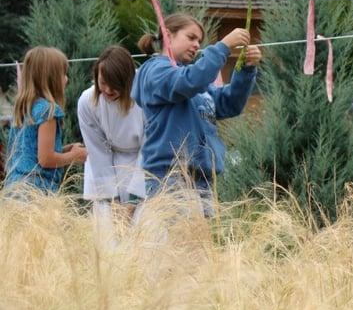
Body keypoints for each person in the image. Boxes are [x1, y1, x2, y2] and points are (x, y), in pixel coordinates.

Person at [132, 14, 261, 217]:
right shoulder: (155, 71)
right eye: (190, 37)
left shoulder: (196, 82)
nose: (196, 45)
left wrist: (245, 70)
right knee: (176, 247)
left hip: (202, 181)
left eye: (199, 41)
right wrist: (223, 47)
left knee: (197, 248)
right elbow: (187, 81)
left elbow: (229, 104)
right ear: (168, 35)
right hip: (169, 179)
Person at [77, 46, 145, 246]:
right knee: (109, 238)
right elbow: (97, 152)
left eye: (114, 85)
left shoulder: (145, 97)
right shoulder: (87, 102)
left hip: (141, 165)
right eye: (103, 83)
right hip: (107, 169)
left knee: (143, 236)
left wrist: (132, 201)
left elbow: (151, 146)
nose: (107, 90)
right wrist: (114, 202)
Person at [5, 46, 87, 193]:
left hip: (15, 187)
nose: (66, 79)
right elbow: (46, 159)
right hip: (35, 191)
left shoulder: (23, 108)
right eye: (63, 74)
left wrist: (64, 150)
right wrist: (74, 156)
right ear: (52, 78)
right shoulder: (48, 110)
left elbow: (32, 153)